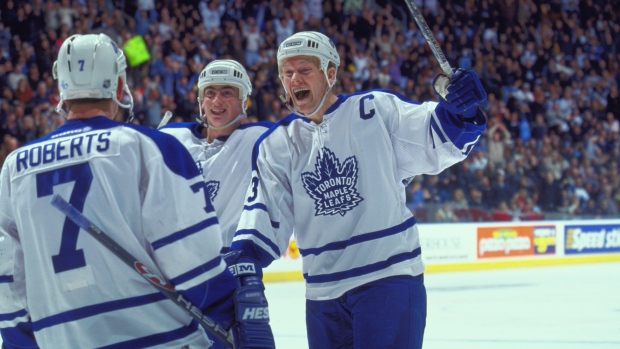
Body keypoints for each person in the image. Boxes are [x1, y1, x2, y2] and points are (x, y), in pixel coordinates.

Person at [0, 34, 271, 349]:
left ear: (61, 85)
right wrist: (233, 304)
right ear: (118, 85)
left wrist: (22, 343)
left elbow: (8, 277)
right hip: (157, 338)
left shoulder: (15, 167)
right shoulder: (150, 147)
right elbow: (192, 262)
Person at [230, 31, 487, 348]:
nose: (294, 78)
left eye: (305, 70)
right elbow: (265, 218)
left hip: (387, 280)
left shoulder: (375, 111)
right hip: (322, 294)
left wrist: (462, 110)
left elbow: (438, 138)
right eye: (287, 72)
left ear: (330, 73)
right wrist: (241, 266)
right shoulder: (275, 144)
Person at [159, 60, 276, 348]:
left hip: (231, 277)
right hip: (176, 277)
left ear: (243, 100)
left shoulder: (260, 140)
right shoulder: (171, 139)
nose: (217, 101)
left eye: (227, 93)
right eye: (209, 93)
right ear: (200, 100)